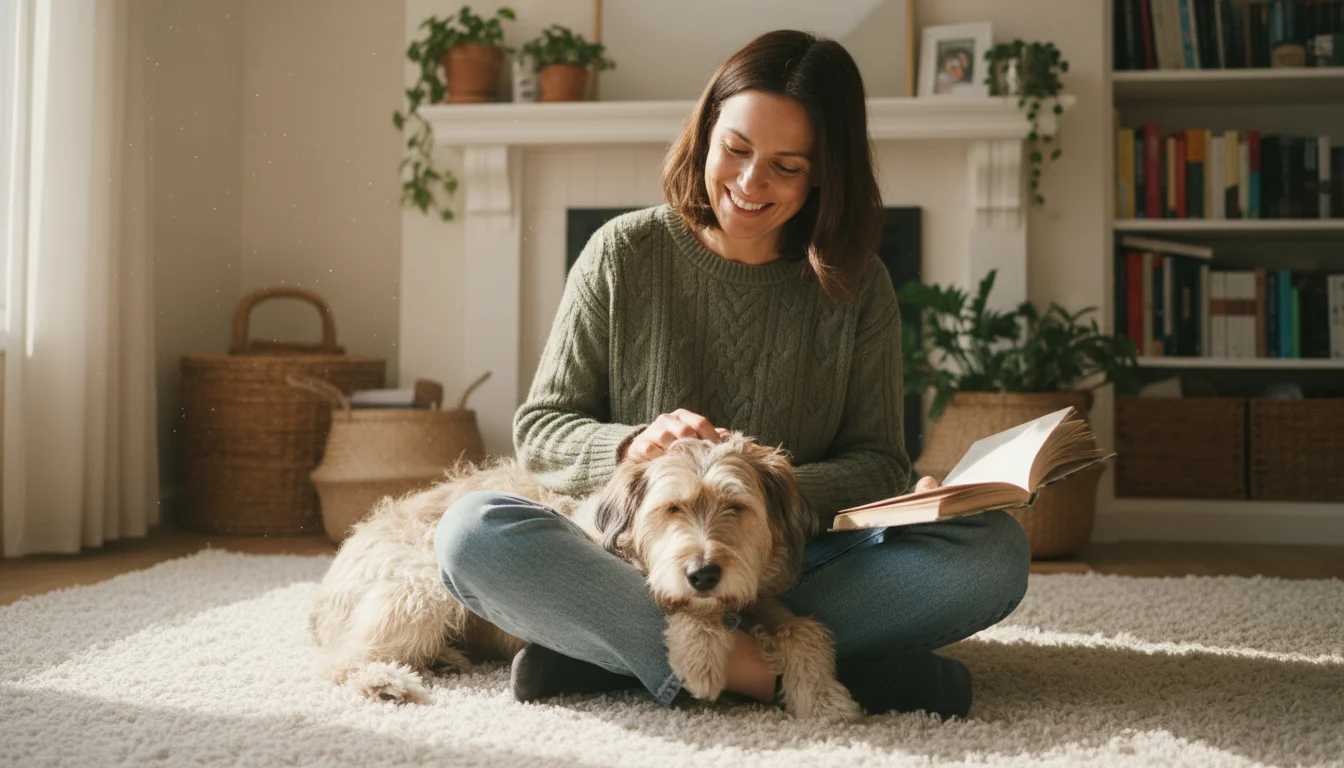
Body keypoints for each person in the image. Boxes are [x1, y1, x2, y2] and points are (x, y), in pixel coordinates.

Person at [435, 29, 1029, 719]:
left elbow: (876, 462)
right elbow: (541, 431)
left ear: (822, 177)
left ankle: (609, 656)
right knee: (472, 533)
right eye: (737, 150)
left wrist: (759, 496)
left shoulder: (858, 286)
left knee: (993, 552)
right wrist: (631, 446)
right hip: (639, 564)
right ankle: (785, 675)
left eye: (786, 166)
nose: (750, 184)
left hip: (794, 566)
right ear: (706, 135)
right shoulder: (622, 254)